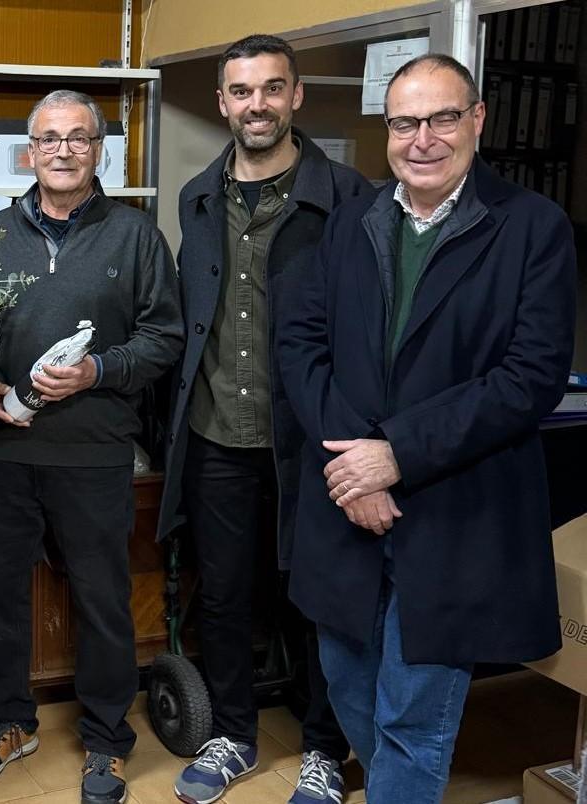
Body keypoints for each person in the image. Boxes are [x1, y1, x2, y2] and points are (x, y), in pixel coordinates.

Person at [276, 54, 576, 803]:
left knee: (414, 713)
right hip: (345, 508)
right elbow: (301, 345)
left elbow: (529, 377)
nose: (423, 139)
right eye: (405, 122)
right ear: (387, 131)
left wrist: (398, 456)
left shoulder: (532, 228)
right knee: (349, 688)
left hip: (453, 516)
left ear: (477, 120)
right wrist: (357, 466)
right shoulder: (351, 223)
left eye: (443, 118)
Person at [0, 90, 184, 804]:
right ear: (29, 152)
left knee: (102, 599)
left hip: (95, 452)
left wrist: (97, 370)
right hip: (7, 452)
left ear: (98, 150)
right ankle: (8, 722)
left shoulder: (137, 236)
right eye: (49, 139)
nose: (62, 150)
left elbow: (166, 338)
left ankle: (108, 738)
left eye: (77, 138)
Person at [159, 34, 369, 804]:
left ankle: (323, 746)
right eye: (241, 92)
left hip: (311, 442)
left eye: (271, 89)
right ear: (223, 102)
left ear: (296, 95)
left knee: (315, 596)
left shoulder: (351, 198)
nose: (257, 105)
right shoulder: (197, 197)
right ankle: (233, 737)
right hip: (218, 435)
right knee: (223, 596)